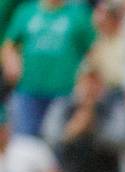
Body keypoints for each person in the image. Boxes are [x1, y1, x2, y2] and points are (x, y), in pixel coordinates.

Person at [0, 0, 95, 137]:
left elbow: (92, 49)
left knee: (56, 141)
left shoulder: (77, 13)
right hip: (28, 91)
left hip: (64, 92)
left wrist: (85, 77)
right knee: (25, 143)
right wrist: (11, 61)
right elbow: (9, 45)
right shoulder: (27, 11)